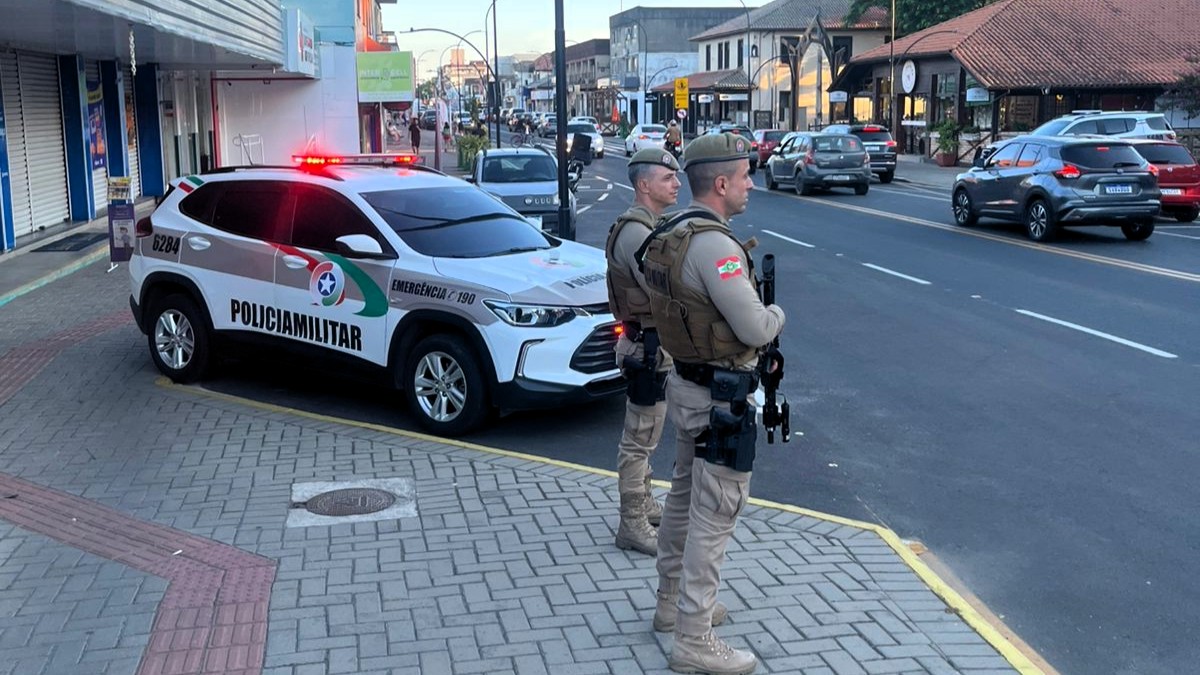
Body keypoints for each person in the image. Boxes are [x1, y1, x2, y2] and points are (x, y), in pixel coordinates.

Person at [641, 133, 785, 675]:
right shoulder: (717, 247)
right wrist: (778, 317)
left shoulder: (669, 233)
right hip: (719, 398)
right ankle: (694, 636)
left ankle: (669, 606)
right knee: (715, 512)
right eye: (745, 175)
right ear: (721, 183)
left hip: (686, 385)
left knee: (682, 497)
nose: (751, 183)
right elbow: (752, 324)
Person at [605, 148, 682, 557]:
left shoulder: (648, 225)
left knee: (647, 435)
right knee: (638, 439)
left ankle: (644, 502)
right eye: (668, 177)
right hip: (645, 348)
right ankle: (631, 523)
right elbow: (660, 288)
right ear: (644, 185)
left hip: (649, 344)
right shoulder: (638, 232)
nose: (677, 183)